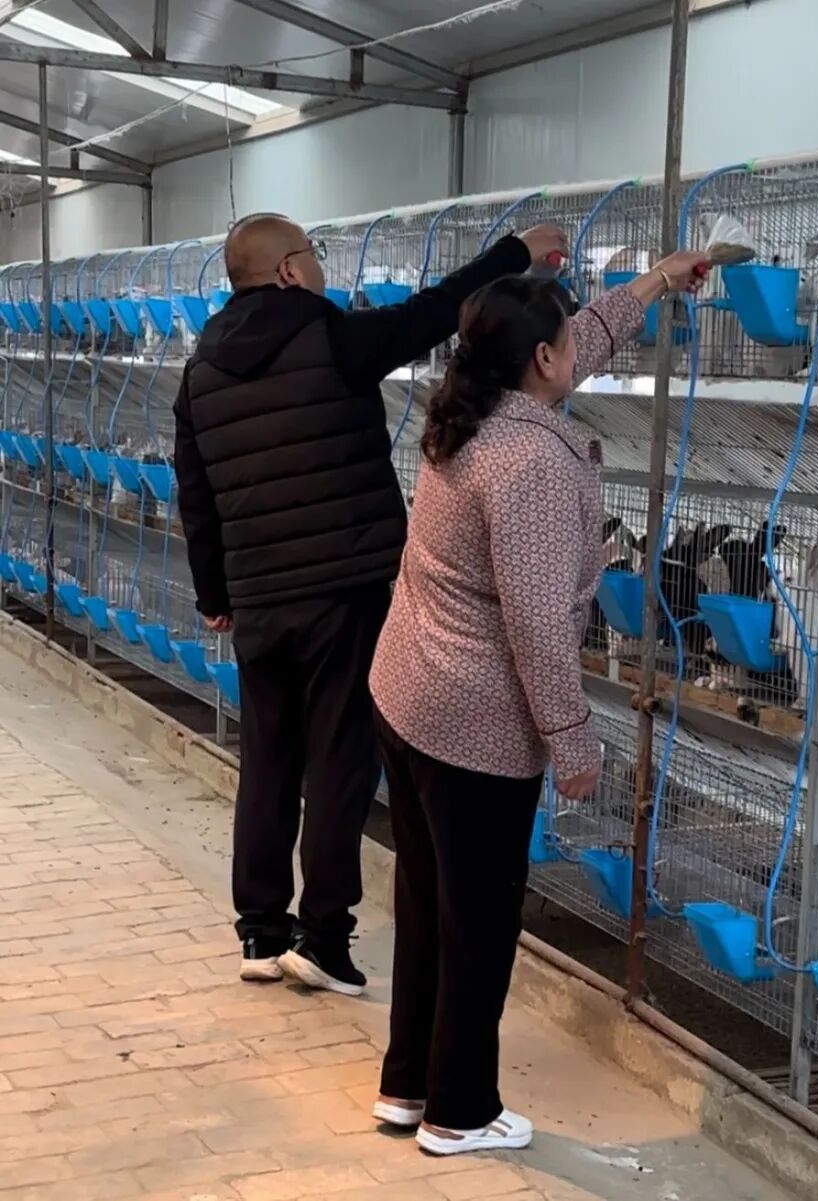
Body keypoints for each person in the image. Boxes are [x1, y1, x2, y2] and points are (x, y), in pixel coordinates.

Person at [173, 211, 569, 995]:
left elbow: (195, 491)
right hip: (343, 589)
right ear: (289, 270)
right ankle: (323, 937)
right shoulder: (333, 337)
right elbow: (438, 309)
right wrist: (515, 253)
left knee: (268, 757)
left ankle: (260, 929)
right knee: (337, 761)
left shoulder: (200, 370)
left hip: (257, 596)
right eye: (313, 255)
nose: (322, 269)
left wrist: (215, 591)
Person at [368, 250, 707, 1152]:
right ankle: (460, 1111)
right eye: (563, 341)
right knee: (479, 920)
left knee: (428, 900)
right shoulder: (531, 463)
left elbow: (581, 337)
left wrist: (655, 283)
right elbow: (537, 621)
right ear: (543, 361)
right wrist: (573, 736)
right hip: (472, 721)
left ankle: (408, 1085)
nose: (574, 349)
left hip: (409, 694)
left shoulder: (471, 413)